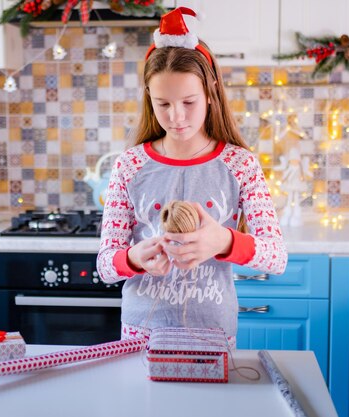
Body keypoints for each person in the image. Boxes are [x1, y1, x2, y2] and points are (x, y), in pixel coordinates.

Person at [96, 7, 287, 347]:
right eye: (163, 104)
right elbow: (106, 267)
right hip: (141, 334)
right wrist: (134, 258)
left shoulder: (240, 164)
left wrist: (224, 241)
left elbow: (275, 257)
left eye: (188, 101)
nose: (177, 117)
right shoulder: (129, 165)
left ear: (211, 91)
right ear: (149, 100)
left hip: (212, 332)